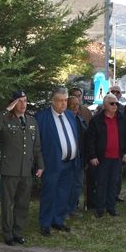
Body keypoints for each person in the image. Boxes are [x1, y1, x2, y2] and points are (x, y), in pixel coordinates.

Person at [0, 91, 44, 245]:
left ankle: (18, 232)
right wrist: (8, 109)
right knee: (7, 204)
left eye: (25, 101)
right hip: (10, 169)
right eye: (19, 101)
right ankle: (7, 234)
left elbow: (37, 146)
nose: (23, 104)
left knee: (23, 203)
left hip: (26, 169)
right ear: (13, 103)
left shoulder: (32, 121)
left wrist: (40, 164)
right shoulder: (6, 119)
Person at [35, 87, 80, 236]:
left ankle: (58, 220)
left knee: (63, 193)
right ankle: (45, 223)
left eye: (65, 100)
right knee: (49, 193)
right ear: (52, 101)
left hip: (69, 162)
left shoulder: (70, 115)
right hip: (52, 163)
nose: (63, 103)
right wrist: (40, 163)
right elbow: (37, 144)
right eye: (59, 100)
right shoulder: (42, 118)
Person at [86, 94, 126, 218]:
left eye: (116, 103)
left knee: (113, 183)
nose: (115, 105)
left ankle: (111, 207)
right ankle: (100, 208)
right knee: (101, 183)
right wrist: (92, 156)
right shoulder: (96, 120)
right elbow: (90, 141)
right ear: (105, 105)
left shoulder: (122, 119)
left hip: (117, 158)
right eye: (112, 103)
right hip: (102, 158)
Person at [67, 94, 92, 215]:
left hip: (80, 159)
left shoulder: (81, 120)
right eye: (72, 105)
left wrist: (86, 159)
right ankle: (64, 209)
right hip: (67, 159)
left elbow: (86, 140)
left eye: (77, 104)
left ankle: (72, 208)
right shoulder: (64, 120)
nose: (75, 107)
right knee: (67, 185)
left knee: (77, 185)